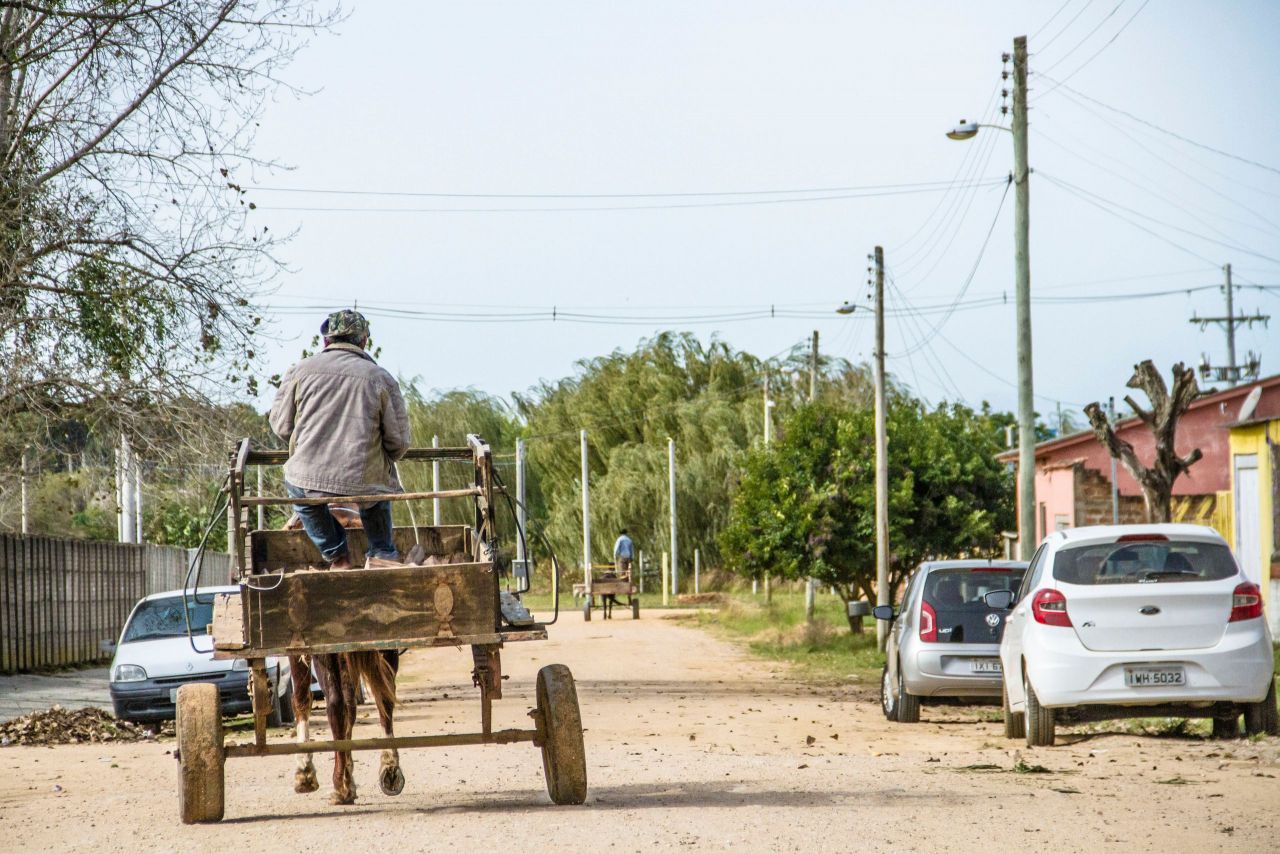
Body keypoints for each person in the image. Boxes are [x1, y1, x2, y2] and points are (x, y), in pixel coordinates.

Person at [269, 309, 410, 568]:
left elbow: (281, 426)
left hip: (311, 477)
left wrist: (307, 441)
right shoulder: (382, 378)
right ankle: (381, 554)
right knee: (377, 492)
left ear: (325, 341)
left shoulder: (298, 372)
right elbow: (398, 443)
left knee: (298, 488)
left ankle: (337, 555)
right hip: (365, 480)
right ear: (364, 341)